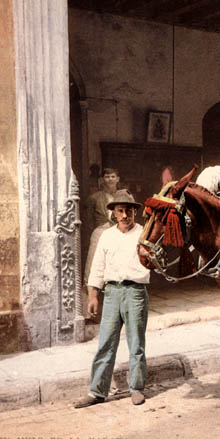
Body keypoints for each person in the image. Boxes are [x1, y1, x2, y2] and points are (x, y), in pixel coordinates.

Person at [74, 189, 151, 408]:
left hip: (135, 292)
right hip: (112, 293)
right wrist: (93, 296)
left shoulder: (144, 233)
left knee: (136, 343)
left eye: (129, 211)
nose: (125, 215)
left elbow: (157, 263)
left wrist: (149, 257)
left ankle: (136, 388)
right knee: (105, 343)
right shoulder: (106, 236)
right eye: (120, 211)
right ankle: (97, 391)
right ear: (114, 213)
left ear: (135, 212)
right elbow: (97, 267)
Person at [83, 167, 120, 283]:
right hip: (101, 230)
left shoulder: (123, 196)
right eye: (107, 177)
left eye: (113, 177)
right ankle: (89, 286)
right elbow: (88, 220)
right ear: (102, 180)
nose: (110, 179)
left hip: (119, 231)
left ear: (117, 179)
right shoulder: (94, 198)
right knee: (94, 260)